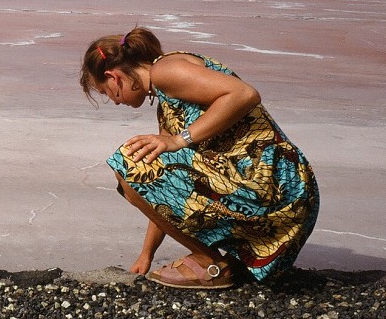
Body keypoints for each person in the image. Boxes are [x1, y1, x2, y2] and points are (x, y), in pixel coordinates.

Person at [80, 27, 319, 289]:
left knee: (128, 161)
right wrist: (146, 255)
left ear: (113, 77)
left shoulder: (165, 71)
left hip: (277, 189)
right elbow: (158, 193)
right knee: (143, 164)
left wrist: (180, 140)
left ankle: (210, 264)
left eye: (106, 93)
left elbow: (244, 94)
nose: (114, 102)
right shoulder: (167, 103)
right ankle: (221, 262)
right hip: (276, 194)